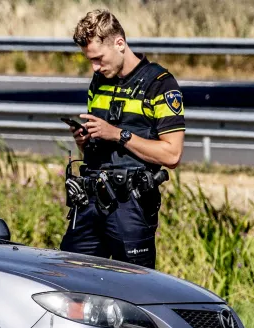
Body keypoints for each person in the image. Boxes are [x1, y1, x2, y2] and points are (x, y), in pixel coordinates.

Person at [60, 9, 185, 269]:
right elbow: (101, 143)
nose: (95, 66)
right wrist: (85, 141)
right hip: (90, 200)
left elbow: (172, 155)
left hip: (131, 206)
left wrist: (117, 134)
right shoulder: (99, 81)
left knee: (134, 288)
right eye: (89, 60)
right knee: (69, 278)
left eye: (98, 58)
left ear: (119, 44)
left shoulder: (160, 84)